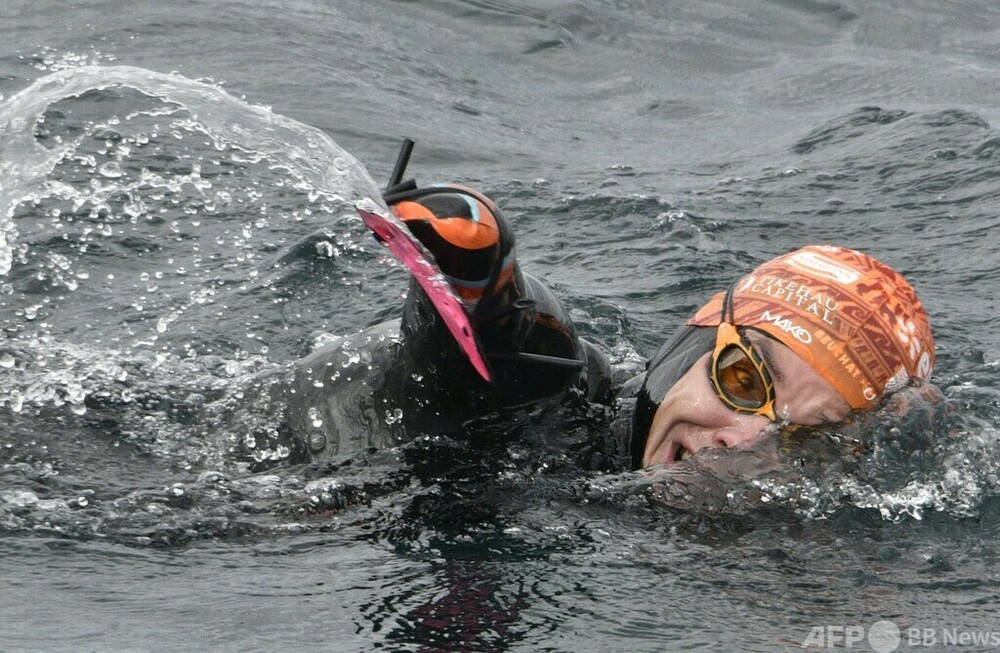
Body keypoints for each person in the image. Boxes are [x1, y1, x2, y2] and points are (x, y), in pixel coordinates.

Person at [283, 142, 937, 471]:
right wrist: (474, 272)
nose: (740, 442)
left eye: (803, 442)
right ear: (696, 337)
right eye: (742, 378)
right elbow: (509, 346)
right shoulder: (554, 398)